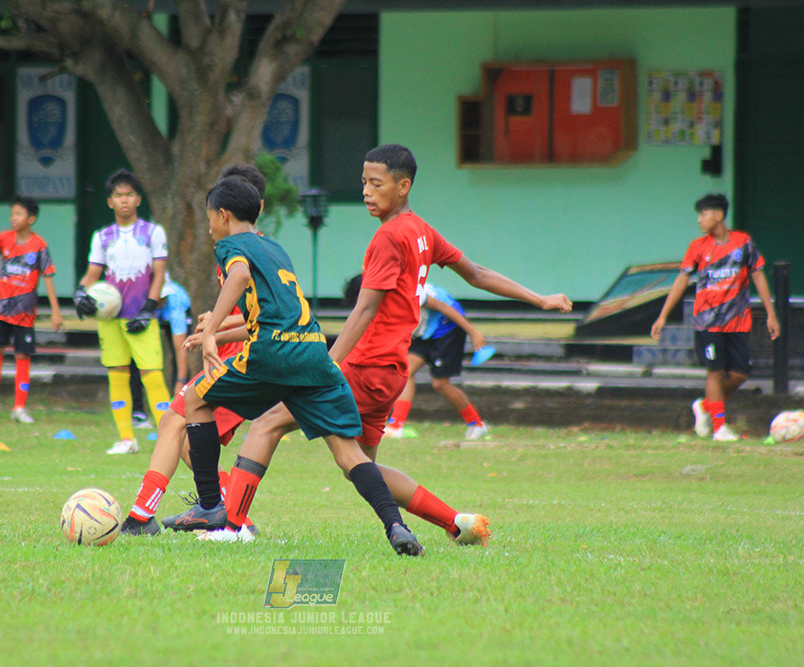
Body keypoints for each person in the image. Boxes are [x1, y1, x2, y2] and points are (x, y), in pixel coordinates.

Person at [211, 144, 573, 548]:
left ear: (403, 187)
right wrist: (539, 298)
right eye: (364, 182)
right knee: (361, 466)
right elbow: (477, 273)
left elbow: (365, 308)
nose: (367, 191)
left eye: (376, 183)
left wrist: (327, 364)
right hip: (392, 372)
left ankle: (232, 526)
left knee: (268, 423)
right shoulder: (421, 231)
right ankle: (456, 523)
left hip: (363, 365)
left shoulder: (388, 237)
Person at [180, 175, 423, 555]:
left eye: (209, 217)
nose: (209, 226)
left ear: (223, 215)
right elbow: (273, 315)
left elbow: (239, 276)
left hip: (271, 355)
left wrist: (211, 330)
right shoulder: (274, 248)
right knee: (348, 453)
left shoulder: (230, 246)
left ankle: (210, 505)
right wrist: (220, 336)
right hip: (313, 355)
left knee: (195, 399)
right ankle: (396, 526)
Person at [120, 163, 266, 537]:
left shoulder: (247, 250)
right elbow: (251, 307)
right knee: (189, 442)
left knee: (175, 420)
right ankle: (231, 517)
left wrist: (217, 327)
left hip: (244, 359)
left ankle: (142, 517)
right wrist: (217, 321)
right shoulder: (242, 248)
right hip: (233, 354)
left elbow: (265, 313)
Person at [651, 193, 779, 441]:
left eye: (703, 214)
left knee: (740, 374)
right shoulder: (697, 247)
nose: (699, 220)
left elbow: (758, 275)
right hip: (707, 322)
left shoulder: (743, 243)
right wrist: (663, 316)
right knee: (715, 371)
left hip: (738, 320)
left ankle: (705, 406)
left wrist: (771, 313)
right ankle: (719, 428)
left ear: (718, 215)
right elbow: (681, 280)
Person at [73, 169, 170, 455]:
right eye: (118, 195)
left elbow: (159, 274)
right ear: (110, 201)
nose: (124, 200)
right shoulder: (102, 236)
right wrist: (80, 292)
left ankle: (170, 438)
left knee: (152, 374)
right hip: (110, 318)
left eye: (129, 194)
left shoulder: (153, 232)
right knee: (117, 373)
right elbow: (92, 274)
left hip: (142, 316)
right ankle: (127, 439)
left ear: (138, 199)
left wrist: (148, 309)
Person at [0, 196, 63, 423]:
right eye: (12, 214)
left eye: (18, 214)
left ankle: (19, 407)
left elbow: (48, 277)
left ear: (31, 218)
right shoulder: (3, 239)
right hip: (0, 308)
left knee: (22, 355)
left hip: (24, 312)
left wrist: (56, 311)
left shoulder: (39, 246)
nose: (13, 218)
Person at [378, 280, 490, 441]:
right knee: (405, 372)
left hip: (447, 330)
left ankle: (477, 425)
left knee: (440, 384)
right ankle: (396, 426)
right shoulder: (380, 298)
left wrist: (473, 332)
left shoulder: (410, 293)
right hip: (425, 331)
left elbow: (443, 307)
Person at [128, 273, 194, 427]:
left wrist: (180, 382)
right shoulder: (138, 298)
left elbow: (181, 348)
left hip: (175, 313)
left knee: (178, 357)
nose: (159, 300)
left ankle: (182, 408)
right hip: (148, 313)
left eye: (161, 297)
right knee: (135, 358)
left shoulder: (175, 301)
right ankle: (138, 412)